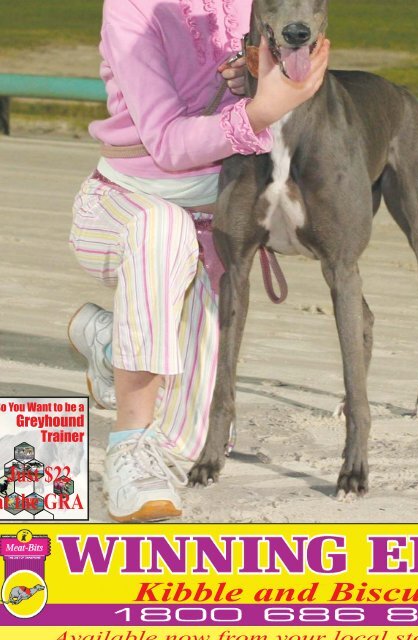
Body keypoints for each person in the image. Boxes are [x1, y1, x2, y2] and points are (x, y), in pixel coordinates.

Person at [68, 0, 330, 523]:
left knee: (189, 445)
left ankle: (110, 339)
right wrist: (259, 111)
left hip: (212, 230)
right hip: (123, 207)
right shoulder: (131, 9)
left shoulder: (258, 4)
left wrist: (269, 83)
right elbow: (165, 144)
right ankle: (127, 446)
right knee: (162, 231)